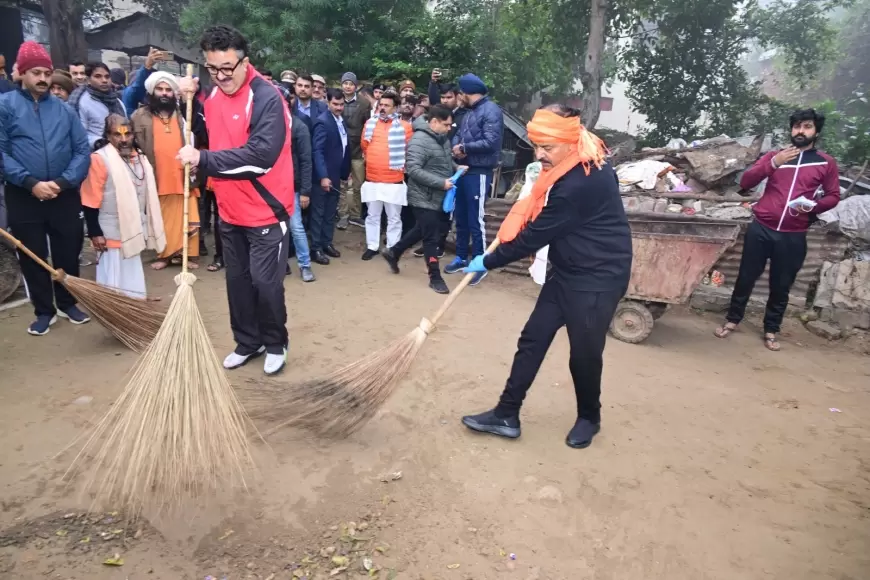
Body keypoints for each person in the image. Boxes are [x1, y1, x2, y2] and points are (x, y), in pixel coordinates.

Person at [460, 104, 632, 449]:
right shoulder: (578, 155)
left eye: (547, 148)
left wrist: (488, 261)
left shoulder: (581, 182)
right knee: (533, 338)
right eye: (535, 145)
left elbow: (535, 236)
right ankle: (507, 414)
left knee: (583, 353)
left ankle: (589, 417)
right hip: (567, 270)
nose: (538, 155)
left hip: (599, 277)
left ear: (569, 140)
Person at [176, 25, 295, 376]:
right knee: (238, 283)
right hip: (229, 210)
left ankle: (275, 343)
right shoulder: (211, 96)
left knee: (265, 283)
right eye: (213, 68)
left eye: (228, 67)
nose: (221, 76)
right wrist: (184, 97)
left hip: (266, 212)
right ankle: (248, 342)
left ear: (245, 61)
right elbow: (198, 131)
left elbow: (261, 156)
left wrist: (203, 159)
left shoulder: (267, 98)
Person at [714, 108, 841, 351]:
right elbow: (746, 182)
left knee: (781, 285)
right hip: (761, 228)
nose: (800, 131)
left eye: (806, 127)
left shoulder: (826, 162)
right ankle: (732, 320)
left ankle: (771, 329)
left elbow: (834, 196)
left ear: (816, 131)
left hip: (793, 235)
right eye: (796, 126)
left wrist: (813, 206)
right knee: (746, 278)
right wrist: (773, 164)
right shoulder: (776, 156)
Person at [0, 41, 91, 335]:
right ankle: (43, 310)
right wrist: (31, 183)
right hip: (23, 194)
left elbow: (81, 151)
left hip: (63, 194)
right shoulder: (5, 107)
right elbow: (1, 153)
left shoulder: (65, 111)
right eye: (35, 72)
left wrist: (62, 182)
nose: (42, 78)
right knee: (32, 253)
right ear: (22, 74)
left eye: (46, 72)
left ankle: (68, 303)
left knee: (69, 249)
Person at [381, 106, 464, 294]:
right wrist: (441, 183)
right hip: (422, 197)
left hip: (437, 196)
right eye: (446, 124)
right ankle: (435, 277)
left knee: (422, 229)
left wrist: (457, 168)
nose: (449, 128)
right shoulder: (419, 140)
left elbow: (444, 159)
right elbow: (414, 170)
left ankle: (394, 252)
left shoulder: (442, 138)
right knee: (430, 237)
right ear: (434, 122)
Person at [81, 114, 166, 297]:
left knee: (132, 274)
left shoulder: (140, 158)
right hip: (109, 232)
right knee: (112, 279)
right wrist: (95, 232)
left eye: (128, 134)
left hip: (133, 230)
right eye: (117, 135)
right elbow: (90, 200)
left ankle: (133, 309)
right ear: (108, 136)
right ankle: (115, 312)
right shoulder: (99, 159)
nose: (124, 139)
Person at [130, 71, 205, 270]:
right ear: (152, 91)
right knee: (161, 218)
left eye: (168, 90)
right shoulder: (139, 116)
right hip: (157, 175)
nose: (164, 93)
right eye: (160, 89)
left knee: (186, 216)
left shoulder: (183, 114)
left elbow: (199, 127)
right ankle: (164, 255)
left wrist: (189, 93)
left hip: (182, 173)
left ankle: (186, 256)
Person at [443, 74, 503, 286]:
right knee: (461, 217)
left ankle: (480, 263)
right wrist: (457, 149)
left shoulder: (491, 110)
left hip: (479, 172)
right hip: (464, 171)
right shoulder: (469, 112)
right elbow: (459, 135)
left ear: (468, 92)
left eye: (461, 93)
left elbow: (491, 141)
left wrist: (464, 148)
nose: (459, 97)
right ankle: (461, 257)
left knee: (476, 220)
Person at [360, 92, 413, 260]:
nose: (382, 108)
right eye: (380, 104)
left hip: (394, 179)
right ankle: (372, 246)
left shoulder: (405, 127)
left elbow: (408, 151)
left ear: (395, 108)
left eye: (386, 105)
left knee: (394, 218)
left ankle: (392, 248)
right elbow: (364, 146)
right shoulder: (370, 124)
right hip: (373, 177)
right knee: (372, 215)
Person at [311, 88, 351, 265]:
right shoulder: (322, 122)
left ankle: (327, 243)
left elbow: (344, 147)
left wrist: (345, 171)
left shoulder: (341, 121)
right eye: (335, 104)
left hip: (336, 175)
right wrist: (323, 176)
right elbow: (317, 151)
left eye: (342, 104)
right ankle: (316, 248)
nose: (339, 107)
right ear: (328, 103)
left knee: (329, 213)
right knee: (318, 213)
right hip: (323, 177)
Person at [288, 89, 316, 282]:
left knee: (296, 226)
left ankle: (305, 265)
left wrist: (305, 191)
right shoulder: (267, 125)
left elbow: (306, 161)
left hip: (292, 186)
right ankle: (278, 264)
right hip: (270, 186)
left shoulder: (299, 126)